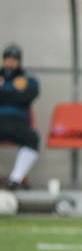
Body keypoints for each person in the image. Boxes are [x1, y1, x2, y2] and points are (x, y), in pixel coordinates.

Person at [0, 44, 40, 190]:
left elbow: (28, 95)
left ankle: (15, 179)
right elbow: (19, 95)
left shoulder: (29, 80)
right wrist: (15, 91)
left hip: (18, 123)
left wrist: (3, 89)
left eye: (14, 59)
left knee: (33, 139)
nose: (10, 62)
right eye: (7, 59)